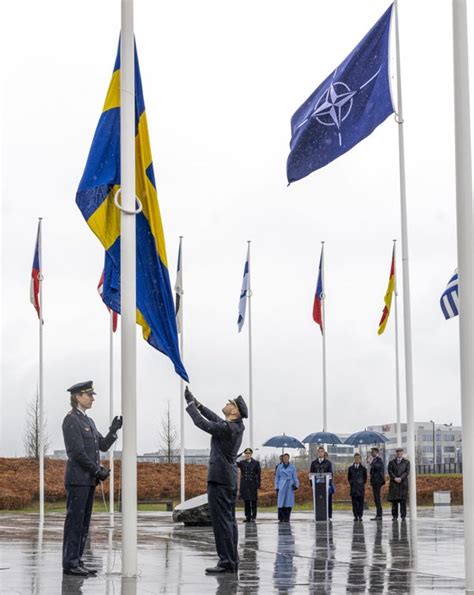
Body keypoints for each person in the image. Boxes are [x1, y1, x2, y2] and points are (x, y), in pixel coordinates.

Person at [62, 381, 123, 576]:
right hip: (78, 479)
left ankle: (77, 560)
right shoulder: (71, 420)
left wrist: (114, 430)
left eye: (92, 395)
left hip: (87, 480)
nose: (92, 398)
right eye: (89, 395)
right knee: (75, 522)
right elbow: (77, 452)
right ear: (77, 397)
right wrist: (98, 470)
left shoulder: (88, 421)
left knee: (84, 523)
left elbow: (103, 445)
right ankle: (70, 563)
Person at [184, 386, 247, 574]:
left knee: (222, 523)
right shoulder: (234, 427)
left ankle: (226, 562)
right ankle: (231, 560)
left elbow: (203, 424)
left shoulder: (229, 428)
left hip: (219, 480)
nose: (227, 404)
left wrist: (189, 405)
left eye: (230, 403)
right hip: (227, 480)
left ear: (235, 411)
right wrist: (198, 404)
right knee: (229, 522)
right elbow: (214, 418)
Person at [237, 448, 261, 522]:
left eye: (249, 453)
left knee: (253, 501)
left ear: (251, 454)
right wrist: (238, 455)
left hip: (253, 484)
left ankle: (253, 516)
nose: (247, 454)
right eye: (246, 453)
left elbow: (259, 474)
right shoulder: (242, 463)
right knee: (246, 501)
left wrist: (258, 484)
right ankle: (248, 516)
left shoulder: (256, 463)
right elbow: (232, 461)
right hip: (245, 484)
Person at [310, 446, 333, 519]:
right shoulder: (314, 463)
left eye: (321, 451)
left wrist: (329, 484)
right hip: (317, 486)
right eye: (319, 451)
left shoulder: (328, 463)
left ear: (324, 453)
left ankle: (328, 516)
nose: (320, 453)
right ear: (317, 453)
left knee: (328, 501)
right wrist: (312, 485)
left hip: (325, 485)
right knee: (318, 501)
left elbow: (330, 474)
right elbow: (311, 474)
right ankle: (318, 515)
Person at [274, 453, 299, 522]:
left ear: (288, 458)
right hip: (281, 484)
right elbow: (277, 478)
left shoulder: (292, 467)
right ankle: (281, 517)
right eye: (284, 458)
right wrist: (276, 487)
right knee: (281, 502)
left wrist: (296, 485)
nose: (285, 459)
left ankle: (287, 517)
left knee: (288, 502)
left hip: (289, 485)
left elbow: (295, 476)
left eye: (287, 458)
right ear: (283, 459)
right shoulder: (279, 467)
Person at [387, 447, 410, 520]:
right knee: (394, 502)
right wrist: (395, 478)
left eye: (400, 452)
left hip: (403, 484)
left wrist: (400, 478)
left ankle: (403, 516)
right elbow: (390, 471)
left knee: (403, 501)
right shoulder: (391, 462)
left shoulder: (407, 462)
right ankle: (394, 516)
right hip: (394, 484)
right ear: (396, 453)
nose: (399, 453)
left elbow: (407, 472)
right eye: (397, 452)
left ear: (402, 453)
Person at [347, 453, 367, 521]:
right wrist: (352, 482)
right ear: (354, 459)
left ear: (360, 459)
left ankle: (360, 516)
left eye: (358, 458)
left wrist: (360, 483)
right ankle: (355, 516)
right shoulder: (350, 468)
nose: (357, 459)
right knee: (354, 503)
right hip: (353, 488)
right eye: (356, 458)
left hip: (361, 488)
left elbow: (365, 478)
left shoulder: (363, 468)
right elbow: (349, 478)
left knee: (361, 503)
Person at [369, 447, 385, 521]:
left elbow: (377, 467)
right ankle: (378, 514)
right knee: (376, 498)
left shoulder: (379, 460)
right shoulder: (375, 460)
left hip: (377, 481)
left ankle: (379, 515)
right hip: (374, 481)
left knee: (377, 498)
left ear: (376, 452)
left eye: (372, 452)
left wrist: (370, 462)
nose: (371, 453)